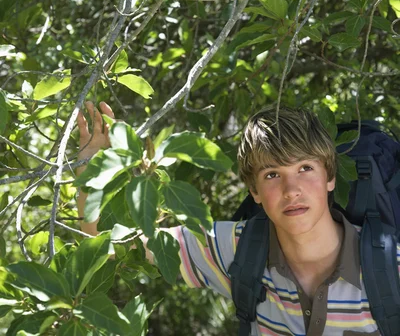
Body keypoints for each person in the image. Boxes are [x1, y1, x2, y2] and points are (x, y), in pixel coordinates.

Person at [77, 103, 396, 335]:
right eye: (272, 174)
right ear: (254, 190)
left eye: (305, 169)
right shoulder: (238, 249)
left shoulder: (389, 268)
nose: (291, 190)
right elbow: (108, 243)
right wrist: (94, 170)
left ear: (330, 177)